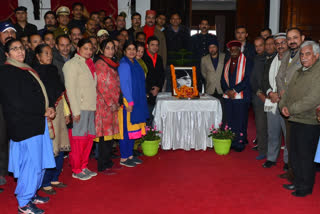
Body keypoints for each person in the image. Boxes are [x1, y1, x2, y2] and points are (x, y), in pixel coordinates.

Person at [0, 38, 55, 213]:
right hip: (24, 126)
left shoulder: (25, 69)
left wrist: (49, 106)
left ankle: (31, 194)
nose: (20, 51)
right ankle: (24, 203)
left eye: (21, 48)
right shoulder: (7, 71)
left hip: (36, 122)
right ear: (7, 54)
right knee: (30, 164)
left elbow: (37, 94)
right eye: (15, 49)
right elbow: (17, 102)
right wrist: (43, 110)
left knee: (39, 162)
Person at [280, 40, 320, 197]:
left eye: (307, 54)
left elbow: (313, 99)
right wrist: (282, 105)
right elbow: (287, 92)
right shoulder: (299, 71)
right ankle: (297, 182)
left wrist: (290, 109)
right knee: (295, 154)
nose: (303, 57)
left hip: (309, 121)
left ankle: (305, 187)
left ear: (316, 56)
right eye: (302, 54)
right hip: (295, 119)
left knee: (305, 156)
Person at [33, 44, 70, 195]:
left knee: (61, 144)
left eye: (50, 53)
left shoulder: (53, 70)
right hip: (48, 114)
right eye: (45, 53)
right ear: (38, 56)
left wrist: (67, 112)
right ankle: (46, 182)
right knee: (50, 148)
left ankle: (55, 177)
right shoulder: (35, 73)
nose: (49, 56)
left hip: (60, 111)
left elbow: (60, 92)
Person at [63, 38, 97, 180]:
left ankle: (83, 166)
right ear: (78, 48)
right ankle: (76, 169)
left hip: (90, 107)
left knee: (88, 139)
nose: (89, 51)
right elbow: (70, 90)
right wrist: (75, 111)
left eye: (91, 49)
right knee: (78, 140)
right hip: (80, 108)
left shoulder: (89, 64)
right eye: (85, 48)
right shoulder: (71, 65)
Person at [276, 27, 304, 179]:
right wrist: (281, 92)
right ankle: (292, 171)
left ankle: (298, 174)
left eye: (295, 37)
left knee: (300, 143)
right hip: (285, 102)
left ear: (302, 38)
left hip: (299, 105)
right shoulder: (287, 54)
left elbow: (302, 81)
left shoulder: (306, 54)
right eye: (289, 38)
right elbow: (279, 77)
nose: (291, 41)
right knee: (290, 141)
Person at [118, 40, 149, 167]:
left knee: (133, 130)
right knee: (126, 130)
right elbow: (124, 85)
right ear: (124, 51)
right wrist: (129, 102)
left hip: (137, 100)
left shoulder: (136, 63)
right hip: (128, 101)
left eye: (133, 49)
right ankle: (124, 158)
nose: (132, 51)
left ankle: (130, 155)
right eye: (129, 49)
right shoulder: (124, 64)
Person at [261, 33, 289, 169]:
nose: (280, 46)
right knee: (272, 132)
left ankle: (288, 162)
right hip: (272, 101)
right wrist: (270, 93)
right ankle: (271, 158)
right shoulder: (270, 60)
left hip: (287, 102)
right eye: (277, 43)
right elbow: (264, 80)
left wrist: (282, 95)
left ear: (288, 43)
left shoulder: (294, 60)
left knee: (288, 134)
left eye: (283, 42)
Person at [94, 39, 121, 174]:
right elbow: (101, 86)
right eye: (107, 48)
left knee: (110, 135)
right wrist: (111, 103)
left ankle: (108, 161)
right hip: (104, 105)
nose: (110, 50)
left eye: (112, 48)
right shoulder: (100, 64)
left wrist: (116, 102)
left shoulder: (112, 63)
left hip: (113, 104)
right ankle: (102, 165)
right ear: (102, 49)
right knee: (104, 136)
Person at [221, 40, 253, 152]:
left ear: (240, 50)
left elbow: (247, 79)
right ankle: (231, 140)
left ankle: (239, 142)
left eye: (236, 49)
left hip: (241, 96)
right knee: (230, 120)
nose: (233, 51)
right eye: (232, 50)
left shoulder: (247, 62)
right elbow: (223, 79)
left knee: (240, 120)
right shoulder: (227, 62)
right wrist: (227, 90)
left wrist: (234, 90)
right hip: (229, 97)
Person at [0, 22, 16, 192]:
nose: (9, 34)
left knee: (5, 137)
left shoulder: (17, 53)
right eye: (5, 32)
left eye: (12, 32)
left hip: (10, 102)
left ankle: (3, 171)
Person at [250, 37, 268, 160]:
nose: (258, 48)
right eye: (256, 46)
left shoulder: (272, 57)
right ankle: (262, 150)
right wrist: (259, 93)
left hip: (272, 96)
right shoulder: (254, 59)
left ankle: (272, 151)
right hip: (258, 97)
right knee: (261, 125)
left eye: (260, 45)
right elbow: (252, 80)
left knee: (272, 127)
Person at [190, 18, 218, 92]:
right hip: (197, 64)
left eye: (206, 24)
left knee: (209, 85)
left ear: (208, 26)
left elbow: (216, 51)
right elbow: (191, 52)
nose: (204, 26)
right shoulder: (193, 38)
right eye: (202, 24)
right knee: (196, 86)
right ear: (199, 26)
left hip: (209, 64)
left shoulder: (213, 37)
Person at [142, 36, 165, 124]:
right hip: (146, 92)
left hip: (157, 91)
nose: (155, 47)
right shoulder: (142, 58)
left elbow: (162, 74)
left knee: (155, 117)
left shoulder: (159, 58)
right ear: (147, 46)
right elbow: (142, 77)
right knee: (147, 117)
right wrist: (150, 89)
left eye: (157, 45)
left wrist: (158, 87)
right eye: (152, 45)